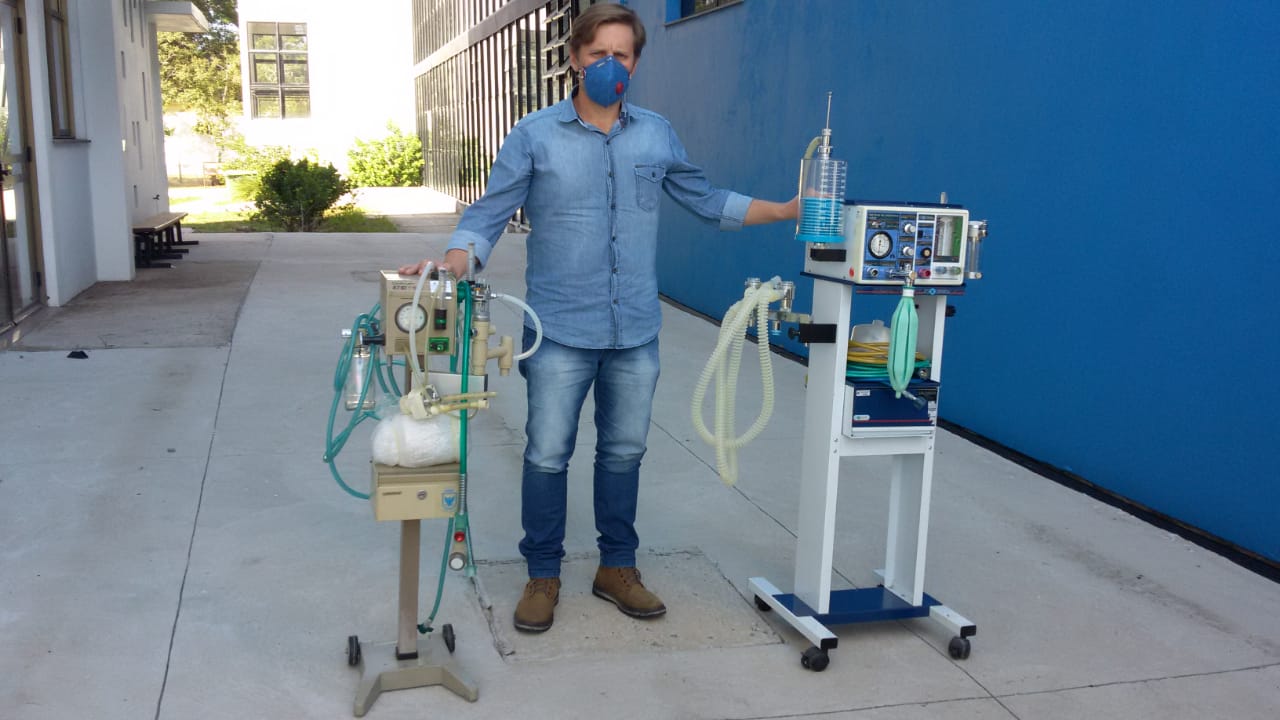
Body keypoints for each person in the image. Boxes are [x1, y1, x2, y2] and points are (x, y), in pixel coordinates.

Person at [400, 2, 796, 633]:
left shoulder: (656, 134)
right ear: (574, 59)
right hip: (559, 329)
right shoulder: (535, 135)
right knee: (547, 455)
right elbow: (488, 213)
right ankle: (543, 574)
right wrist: (453, 264)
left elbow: (706, 198)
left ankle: (617, 568)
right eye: (598, 54)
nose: (611, 65)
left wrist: (786, 210)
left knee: (623, 452)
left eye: (622, 55)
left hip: (634, 330)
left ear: (635, 63)